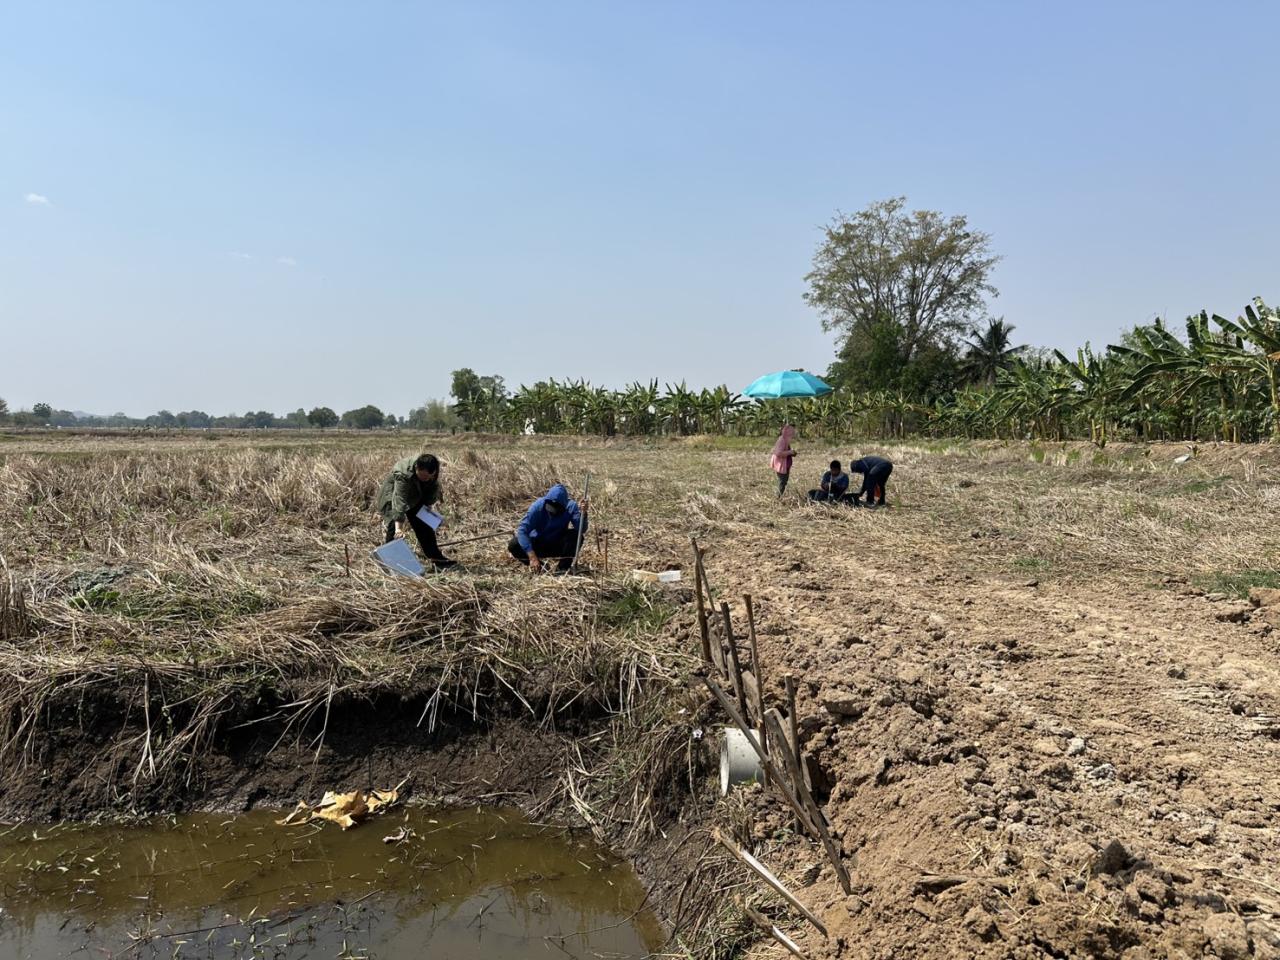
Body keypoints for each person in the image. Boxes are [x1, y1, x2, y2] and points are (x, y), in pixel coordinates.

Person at [377, 453, 457, 569]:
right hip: (392, 495)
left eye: (428, 477)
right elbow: (399, 499)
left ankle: (437, 560)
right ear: (416, 469)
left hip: (415, 495)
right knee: (393, 527)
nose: (425, 479)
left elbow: (431, 491)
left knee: (424, 524)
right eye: (422, 476)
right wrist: (399, 528)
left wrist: (428, 512)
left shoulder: (433, 469)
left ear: (433, 472)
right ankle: (392, 564)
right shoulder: (403, 473)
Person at [508, 483, 589, 573]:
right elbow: (522, 530)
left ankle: (562, 569)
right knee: (514, 544)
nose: (552, 514)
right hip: (538, 543)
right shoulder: (537, 506)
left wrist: (583, 514)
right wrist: (532, 556)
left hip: (557, 544)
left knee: (576, 536)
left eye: (556, 511)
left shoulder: (571, 506)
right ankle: (541, 567)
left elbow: (582, 529)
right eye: (549, 509)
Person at [770, 424, 797, 497]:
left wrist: (791, 453)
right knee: (782, 482)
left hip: (784, 465)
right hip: (781, 465)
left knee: (784, 482)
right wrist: (790, 452)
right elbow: (778, 453)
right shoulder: (782, 440)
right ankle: (778, 497)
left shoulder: (785, 439)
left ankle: (779, 496)